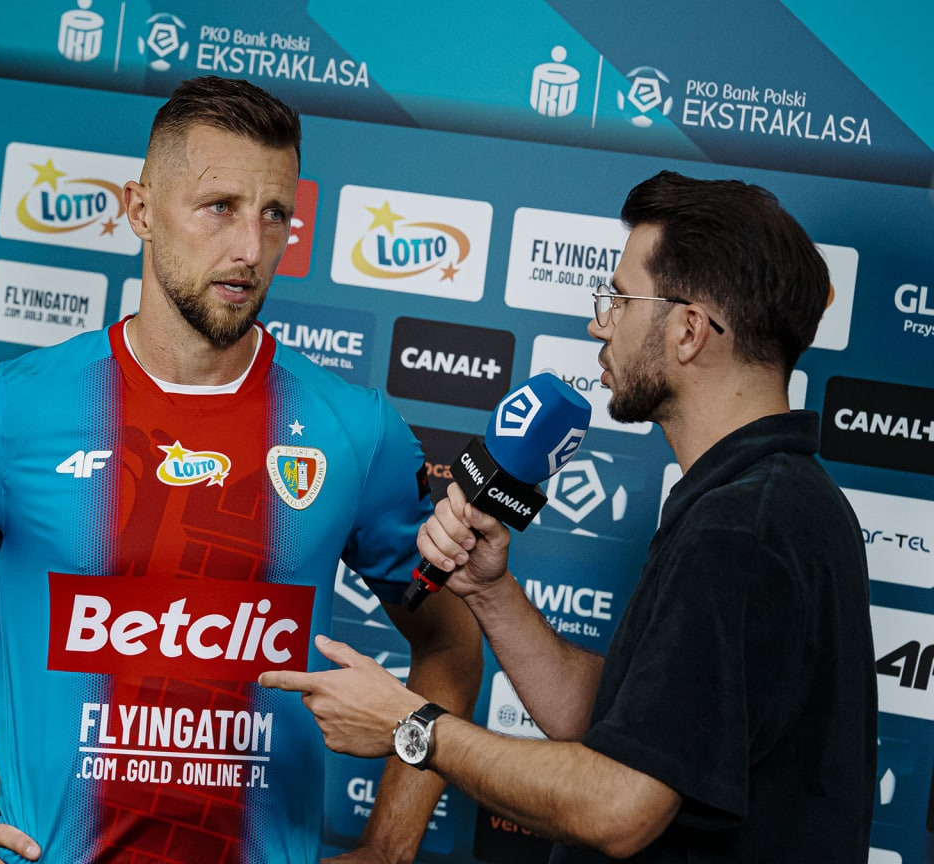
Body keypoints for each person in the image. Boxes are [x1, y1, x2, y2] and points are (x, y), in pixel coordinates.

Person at [0, 76, 481, 864]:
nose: (250, 249)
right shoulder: (12, 413)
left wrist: (389, 848)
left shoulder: (354, 430)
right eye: (219, 207)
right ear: (141, 210)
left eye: (274, 214)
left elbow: (452, 646)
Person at [261, 171, 877, 862]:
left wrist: (413, 725)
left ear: (689, 331)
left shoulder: (742, 527)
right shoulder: (770, 498)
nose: (598, 324)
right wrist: (491, 592)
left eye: (619, 299)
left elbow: (619, 806)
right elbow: (624, 727)